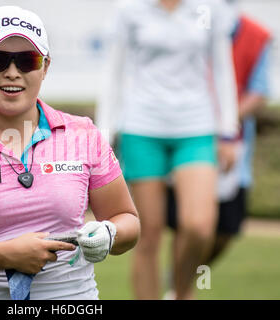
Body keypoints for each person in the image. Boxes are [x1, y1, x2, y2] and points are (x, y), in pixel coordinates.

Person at [0, 5, 140, 300]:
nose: (13, 73)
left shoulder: (83, 134)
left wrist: (110, 234)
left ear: (45, 68)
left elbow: (127, 219)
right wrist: (5, 254)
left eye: (27, 60)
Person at [96, 0, 239, 299]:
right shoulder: (129, 9)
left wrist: (228, 131)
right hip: (142, 128)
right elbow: (113, 72)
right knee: (148, 235)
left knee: (199, 226)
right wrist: (104, 134)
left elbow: (224, 70)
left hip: (196, 128)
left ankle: (180, 290)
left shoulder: (209, 8)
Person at [166, 4, 272, 297]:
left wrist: (225, 125)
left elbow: (259, 91)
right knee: (188, 225)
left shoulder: (256, 35)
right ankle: (181, 289)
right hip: (189, 140)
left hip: (234, 147)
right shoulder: (183, 27)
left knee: (225, 229)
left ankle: (182, 278)